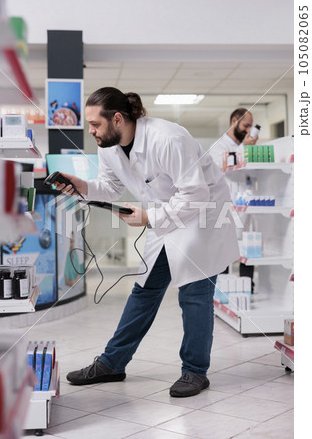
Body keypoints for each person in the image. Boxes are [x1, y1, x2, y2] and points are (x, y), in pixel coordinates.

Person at [57, 87, 239, 398]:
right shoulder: (109, 147)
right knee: (144, 291)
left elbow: (196, 194)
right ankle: (112, 363)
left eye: (95, 124)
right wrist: (82, 186)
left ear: (117, 119)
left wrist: (151, 219)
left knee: (194, 294)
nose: (91, 131)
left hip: (203, 218)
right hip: (165, 217)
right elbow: (111, 187)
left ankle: (195, 371)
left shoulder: (168, 138)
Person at [208, 108, 259, 289]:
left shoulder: (245, 146)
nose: (248, 130)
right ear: (234, 121)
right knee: (225, 255)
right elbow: (225, 166)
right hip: (226, 210)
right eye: (246, 125)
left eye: (251, 127)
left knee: (248, 252)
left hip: (246, 208)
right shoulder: (219, 147)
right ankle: (223, 292)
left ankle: (247, 289)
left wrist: (249, 150)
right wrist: (244, 148)